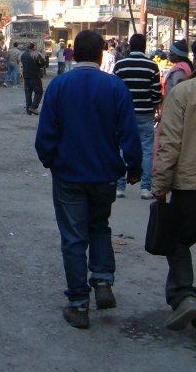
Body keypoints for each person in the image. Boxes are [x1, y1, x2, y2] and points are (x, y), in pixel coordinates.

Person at [35, 30, 142, 329]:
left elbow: (45, 136)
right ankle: (103, 280)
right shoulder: (115, 87)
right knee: (99, 226)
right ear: (100, 54)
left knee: (73, 237)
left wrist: (51, 162)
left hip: (68, 174)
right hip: (104, 175)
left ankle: (79, 304)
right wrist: (134, 167)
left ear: (75, 53)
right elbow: (130, 133)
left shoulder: (59, 86)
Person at [152, 74, 196, 329]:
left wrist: (160, 186)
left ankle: (184, 296)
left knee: (178, 241)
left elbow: (169, 144)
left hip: (189, 187)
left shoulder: (183, 93)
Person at [113, 33, 162, 200]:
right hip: (145, 114)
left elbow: (115, 90)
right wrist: (153, 107)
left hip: (124, 115)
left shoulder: (120, 65)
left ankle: (120, 187)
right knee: (147, 150)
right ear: (144, 47)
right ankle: (145, 188)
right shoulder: (152, 66)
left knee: (121, 148)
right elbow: (156, 93)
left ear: (130, 47)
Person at [20, 41, 47, 115]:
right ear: (33, 47)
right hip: (35, 76)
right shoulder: (35, 54)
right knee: (39, 92)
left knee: (28, 93)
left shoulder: (23, 54)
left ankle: (28, 110)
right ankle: (33, 107)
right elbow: (42, 64)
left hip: (26, 76)